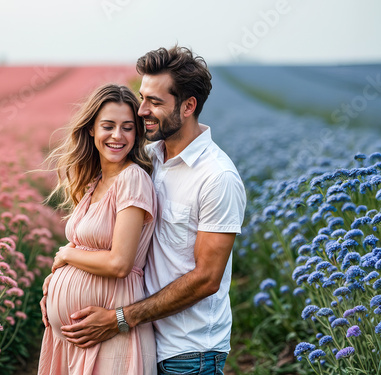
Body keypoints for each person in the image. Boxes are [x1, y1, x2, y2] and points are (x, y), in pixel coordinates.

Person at [58, 46, 247, 375]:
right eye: (142, 97)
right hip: (140, 339)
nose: (141, 110)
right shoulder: (148, 157)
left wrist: (121, 318)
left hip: (188, 353)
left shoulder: (217, 177)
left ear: (188, 106)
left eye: (155, 102)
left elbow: (207, 279)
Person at [38, 84, 157, 374]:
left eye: (128, 127)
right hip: (72, 338)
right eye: (108, 126)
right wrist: (54, 286)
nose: (118, 136)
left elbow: (119, 263)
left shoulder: (133, 180)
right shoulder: (95, 183)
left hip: (111, 331)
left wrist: (66, 255)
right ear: (91, 129)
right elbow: (88, 249)